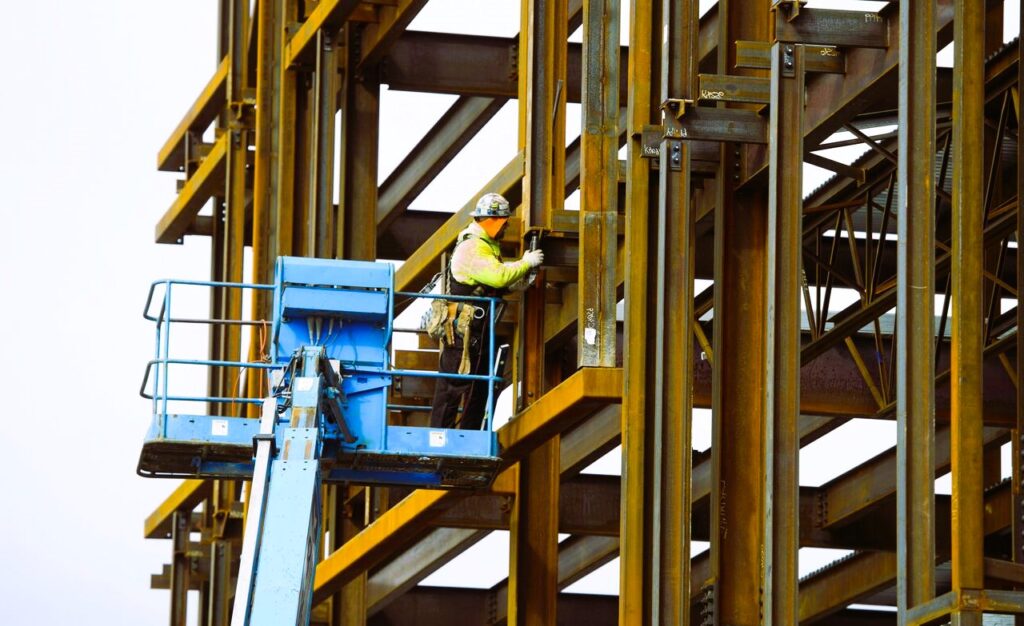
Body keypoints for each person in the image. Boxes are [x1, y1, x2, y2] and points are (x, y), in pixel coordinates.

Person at [428, 192, 544, 430]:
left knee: (479, 387)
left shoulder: (486, 248)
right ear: (495, 221)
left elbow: (496, 280)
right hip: (462, 334)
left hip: (476, 334)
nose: (506, 227)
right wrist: (526, 263)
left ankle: (468, 436)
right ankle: (438, 440)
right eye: (504, 222)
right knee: (452, 387)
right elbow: (499, 276)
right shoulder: (472, 247)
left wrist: (523, 277)